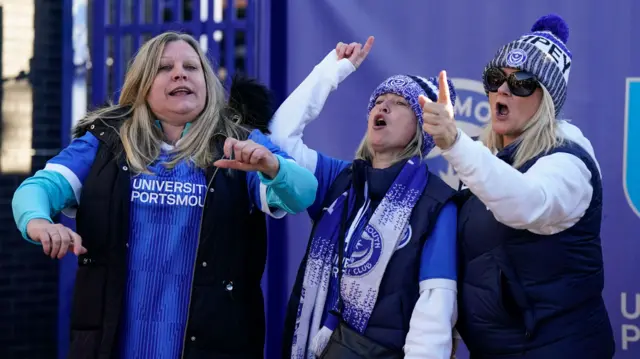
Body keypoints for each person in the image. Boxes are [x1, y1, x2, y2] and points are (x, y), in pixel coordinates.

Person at [11, 32, 319, 359]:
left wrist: (274, 168)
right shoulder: (105, 141)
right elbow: (37, 189)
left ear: (207, 83)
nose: (180, 73)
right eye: (164, 67)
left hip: (214, 344)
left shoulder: (239, 143)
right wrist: (39, 222)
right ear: (142, 84)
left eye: (191, 66)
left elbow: (303, 193)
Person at [421, 14, 615, 358]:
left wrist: (455, 142)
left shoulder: (569, 162)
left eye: (523, 82)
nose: (503, 90)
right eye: (496, 79)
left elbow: (524, 204)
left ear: (547, 101)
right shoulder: (494, 157)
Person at [270, 37, 459, 358]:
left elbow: (435, 306)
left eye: (400, 103)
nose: (382, 106)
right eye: (378, 100)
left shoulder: (436, 201)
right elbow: (281, 142)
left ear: (423, 127)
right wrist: (330, 72)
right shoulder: (339, 180)